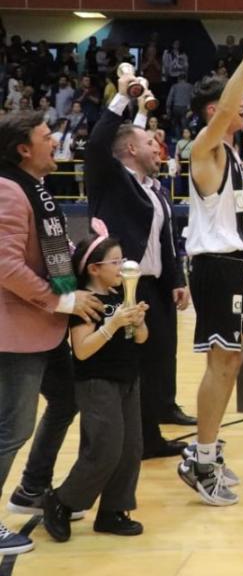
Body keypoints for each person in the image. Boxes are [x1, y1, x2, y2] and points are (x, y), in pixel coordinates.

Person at [0, 112, 105, 555]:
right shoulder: (7, 189)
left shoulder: (36, 188)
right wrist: (60, 300)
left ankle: (32, 487)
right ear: (24, 149)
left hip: (45, 328)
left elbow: (47, 255)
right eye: (46, 137)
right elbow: (5, 265)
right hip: (16, 332)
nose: (55, 142)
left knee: (67, 400)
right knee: (11, 428)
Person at [177, 20, 243, 506]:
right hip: (214, 267)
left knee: (230, 361)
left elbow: (233, 214)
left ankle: (206, 451)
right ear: (217, 111)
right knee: (221, 363)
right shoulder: (205, 147)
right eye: (235, 107)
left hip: (235, 262)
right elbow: (233, 102)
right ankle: (202, 457)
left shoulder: (232, 154)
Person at [85, 72, 192, 458]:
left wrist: (176, 279)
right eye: (150, 141)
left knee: (159, 359)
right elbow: (101, 143)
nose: (158, 144)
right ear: (130, 149)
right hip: (121, 287)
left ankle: (152, 432)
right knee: (133, 365)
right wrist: (123, 98)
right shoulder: (110, 178)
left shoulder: (150, 186)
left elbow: (164, 240)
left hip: (155, 286)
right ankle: (135, 441)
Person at [40, 226, 149, 543]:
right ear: (94, 269)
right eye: (115, 262)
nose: (122, 267)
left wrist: (138, 323)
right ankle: (61, 501)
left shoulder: (122, 296)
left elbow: (142, 339)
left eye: (122, 260)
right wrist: (113, 324)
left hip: (129, 378)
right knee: (104, 449)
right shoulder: (85, 303)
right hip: (96, 382)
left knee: (130, 449)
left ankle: (113, 510)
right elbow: (84, 350)